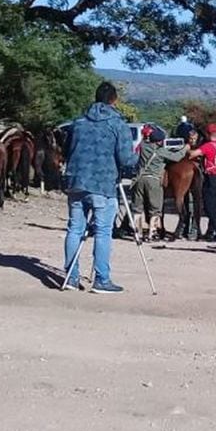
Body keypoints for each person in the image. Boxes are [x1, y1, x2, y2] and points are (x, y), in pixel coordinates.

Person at [62, 81, 138, 293]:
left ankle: (71, 276)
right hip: (103, 184)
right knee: (103, 231)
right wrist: (136, 158)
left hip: (76, 182)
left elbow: (66, 150)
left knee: (74, 229)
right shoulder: (117, 124)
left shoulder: (78, 122)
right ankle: (102, 279)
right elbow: (126, 159)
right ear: (114, 100)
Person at [131, 128, 188, 241]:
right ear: (160, 141)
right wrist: (184, 149)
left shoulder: (143, 146)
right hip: (153, 180)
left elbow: (141, 144)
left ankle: (138, 233)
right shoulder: (161, 151)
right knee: (155, 208)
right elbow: (177, 157)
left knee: (137, 208)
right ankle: (152, 233)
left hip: (139, 179)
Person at [190, 124, 216, 242]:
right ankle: (211, 232)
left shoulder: (208, 146)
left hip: (211, 177)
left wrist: (187, 149)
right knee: (215, 206)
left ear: (207, 134)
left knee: (209, 206)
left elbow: (193, 154)